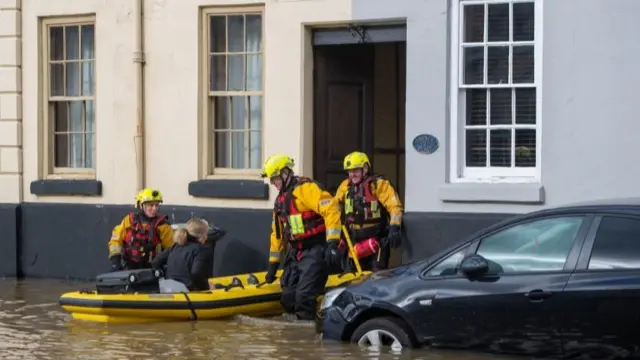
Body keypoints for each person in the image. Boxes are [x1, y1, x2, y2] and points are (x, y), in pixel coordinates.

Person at [261, 153, 342, 321]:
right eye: (271, 180)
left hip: (315, 249)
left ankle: (307, 338)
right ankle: (294, 339)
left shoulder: (306, 190)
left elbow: (331, 210)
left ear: (285, 173)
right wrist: (272, 265)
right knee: (288, 298)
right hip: (296, 252)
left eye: (275, 178)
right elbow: (276, 233)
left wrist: (333, 242)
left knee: (304, 297)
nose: (274, 183)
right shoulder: (280, 201)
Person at [334, 151, 403, 272]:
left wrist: (394, 226)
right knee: (351, 279)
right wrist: (335, 237)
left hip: (376, 242)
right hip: (353, 243)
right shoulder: (345, 186)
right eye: (349, 171)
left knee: (376, 278)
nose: (352, 174)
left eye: (355, 170)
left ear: (365, 169)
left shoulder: (378, 184)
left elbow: (395, 206)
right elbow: (334, 208)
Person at [108, 188, 174, 271]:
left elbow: (172, 249)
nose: (154, 209)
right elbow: (115, 241)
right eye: (150, 205)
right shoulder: (129, 220)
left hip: (153, 270)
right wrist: (115, 262)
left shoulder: (163, 225)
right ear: (141, 205)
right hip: (129, 268)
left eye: (157, 205)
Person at [151, 217, 214, 292]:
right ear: (202, 235)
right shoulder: (202, 250)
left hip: (169, 288)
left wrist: (164, 278)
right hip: (188, 291)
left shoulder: (175, 247)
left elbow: (155, 262)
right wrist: (206, 288)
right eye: (206, 234)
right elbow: (196, 273)